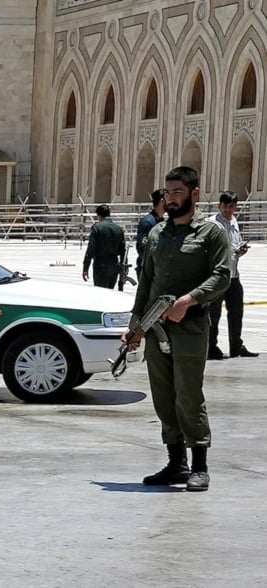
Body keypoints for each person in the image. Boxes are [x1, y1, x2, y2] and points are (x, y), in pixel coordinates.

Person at [123, 166, 230, 492]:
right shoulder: (157, 234)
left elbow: (222, 276)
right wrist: (135, 325)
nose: (170, 199)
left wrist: (189, 300)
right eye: (168, 193)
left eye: (178, 193)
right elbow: (146, 281)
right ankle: (176, 463)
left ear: (195, 194)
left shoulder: (211, 234)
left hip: (191, 328)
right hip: (156, 329)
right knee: (164, 397)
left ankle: (200, 466)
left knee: (188, 395)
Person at [208, 191, 258, 360]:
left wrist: (239, 251)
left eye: (231, 206)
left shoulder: (234, 222)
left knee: (236, 312)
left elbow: (234, 244)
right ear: (219, 206)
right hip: (217, 275)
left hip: (234, 275)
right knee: (214, 314)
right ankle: (211, 347)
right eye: (225, 206)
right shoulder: (212, 224)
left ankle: (236, 345)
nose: (228, 210)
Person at [82, 204, 126, 289]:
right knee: (110, 291)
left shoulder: (97, 227)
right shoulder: (118, 229)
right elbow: (123, 252)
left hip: (100, 266)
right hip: (114, 265)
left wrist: (85, 268)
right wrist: (123, 271)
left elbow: (91, 249)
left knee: (101, 293)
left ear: (99, 215)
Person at [135, 189, 167, 279]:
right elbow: (142, 248)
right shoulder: (148, 222)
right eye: (168, 198)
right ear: (162, 201)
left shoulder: (161, 221)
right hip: (149, 271)